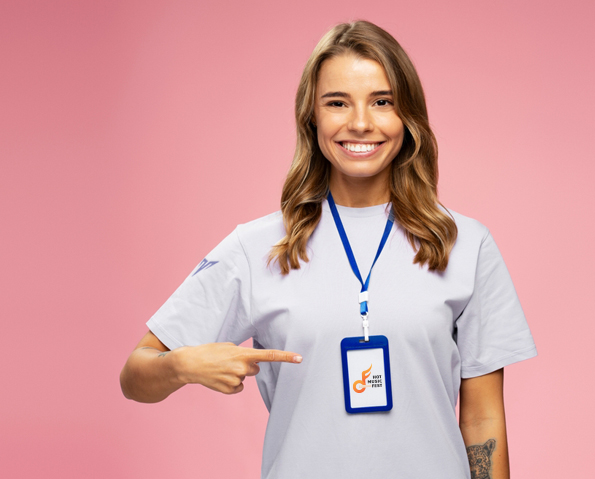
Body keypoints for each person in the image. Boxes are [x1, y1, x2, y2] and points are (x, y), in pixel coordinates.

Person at [120, 20, 536, 479]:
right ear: (312, 117)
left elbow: (481, 419)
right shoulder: (259, 247)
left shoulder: (465, 244)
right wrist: (182, 364)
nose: (360, 122)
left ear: (408, 117)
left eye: (382, 102)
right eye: (337, 103)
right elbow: (135, 376)